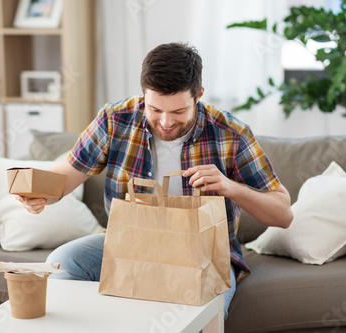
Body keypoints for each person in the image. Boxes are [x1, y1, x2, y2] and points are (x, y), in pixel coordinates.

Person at [17, 42, 293, 319]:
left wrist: (230, 187)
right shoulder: (115, 120)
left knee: (201, 317)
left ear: (199, 95)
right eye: (155, 109)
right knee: (62, 261)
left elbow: (283, 214)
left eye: (178, 112)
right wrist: (39, 194)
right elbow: (64, 178)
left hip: (204, 254)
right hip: (128, 244)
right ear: (144, 95)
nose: (165, 122)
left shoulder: (230, 134)